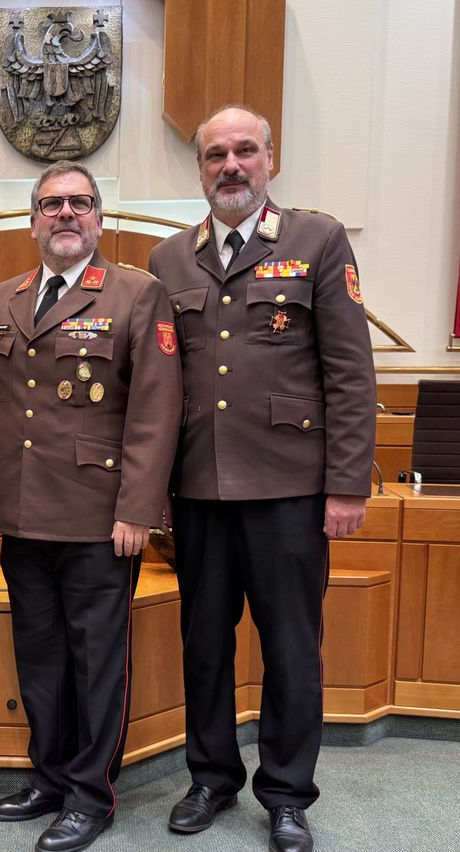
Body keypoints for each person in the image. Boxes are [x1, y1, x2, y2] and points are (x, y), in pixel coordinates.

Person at [148, 105, 377, 852]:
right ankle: (211, 777)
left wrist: (347, 486)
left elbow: (350, 371)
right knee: (205, 646)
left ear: (270, 159)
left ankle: (285, 793)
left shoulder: (317, 239)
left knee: (289, 648)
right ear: (201, 169)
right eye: (216, 155)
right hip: (200, 490)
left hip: (289, 489)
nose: (231, 166)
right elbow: (161, 384)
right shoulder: (169, 259)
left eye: (245, 151)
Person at [0, 161, 182, 852]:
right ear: (33, 219)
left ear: (98, 218)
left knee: (95, 661)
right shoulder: (5, 295)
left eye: (80, 204)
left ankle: (91, 794)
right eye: (52, 204)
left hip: (100, 516)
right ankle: (51, 774)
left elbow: (155, 410)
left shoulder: (135, 293)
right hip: (24, 511)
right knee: (39, 654)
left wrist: (138, 509)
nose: (66, 215)